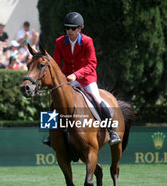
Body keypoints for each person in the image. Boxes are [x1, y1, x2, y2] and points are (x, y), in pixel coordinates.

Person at [43, 12, 121, 146]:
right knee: (55, 102)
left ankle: (112, 131)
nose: (69, 31)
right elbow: (56, 64)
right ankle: (51, 136)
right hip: (68, 79)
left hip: (86, 79)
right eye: (67, 28)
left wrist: (76, 75)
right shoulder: (59, 42)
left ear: (80, 28)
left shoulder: (87, 41)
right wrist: (59, 79)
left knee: (98, 100)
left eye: (73, 28)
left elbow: (92, 64)